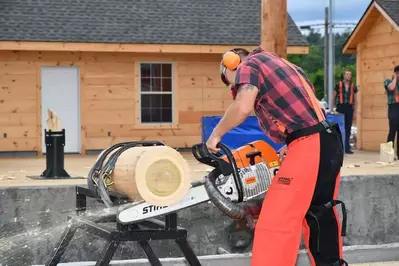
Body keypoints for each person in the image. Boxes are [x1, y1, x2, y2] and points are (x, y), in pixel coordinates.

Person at [206, 46, 347, 266]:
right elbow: (309, 111)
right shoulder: (287, 66)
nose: (233, 87)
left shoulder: (250, 65)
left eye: (229, 80)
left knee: (275, 221)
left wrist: (215, 134)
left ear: (232, 62)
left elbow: (242, 107)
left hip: (310, 144)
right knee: (319, 213)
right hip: (326, 140)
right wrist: (293, 143)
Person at [331, 70, 359, 154]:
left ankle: (347, 148)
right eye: (347, 74)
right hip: (340, 107)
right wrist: (332, 108)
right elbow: (334, 96)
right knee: (339, 128)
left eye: (350, 74)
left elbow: (356, 100)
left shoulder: (354, 86)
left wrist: (355, 112)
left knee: (348, 128)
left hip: (349, 108)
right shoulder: (338, 84)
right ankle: (338, 147)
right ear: (344, 75)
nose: (348, 76)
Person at [384, 65, 399, 159]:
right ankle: (389, 154)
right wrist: (395, 79)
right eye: (398, 73)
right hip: (393, 107)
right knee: (392, 131)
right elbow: (391, 88)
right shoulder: (388, 81)